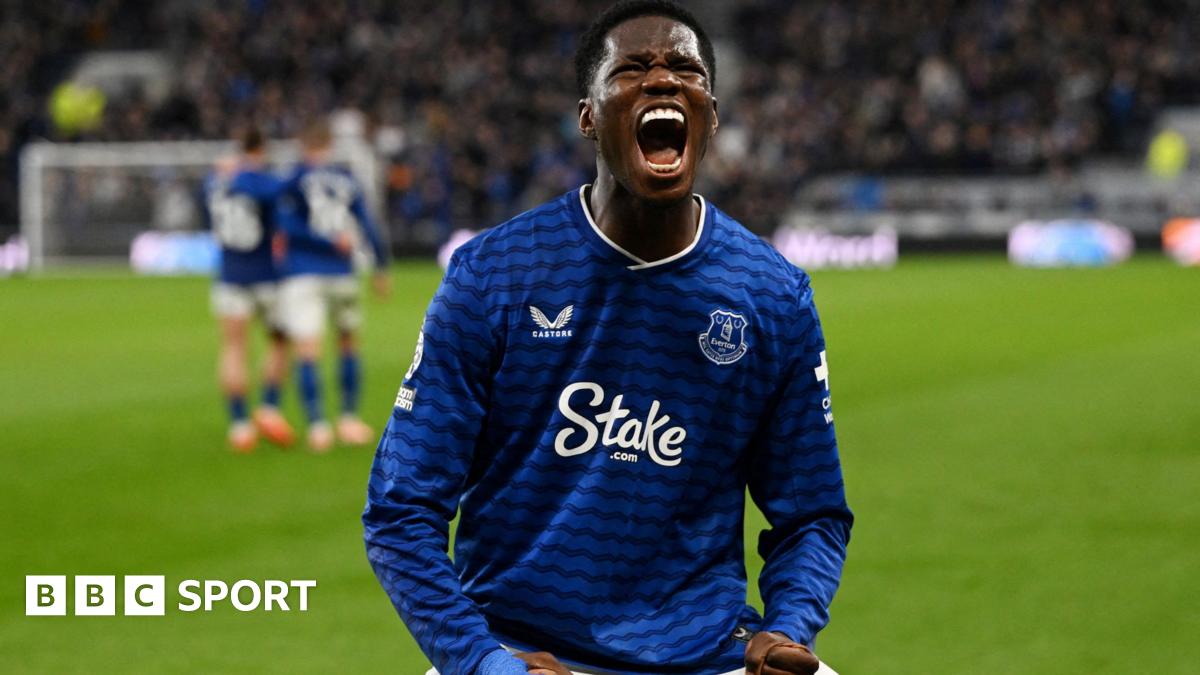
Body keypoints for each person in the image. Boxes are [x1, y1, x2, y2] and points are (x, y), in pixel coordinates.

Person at [363, 2, 852, 673]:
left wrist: (790, 626)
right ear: (588, 116)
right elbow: (400, 510)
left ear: (709, 111)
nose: (662, 81)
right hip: (520, 653)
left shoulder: (771, 295)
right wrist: (480, 659)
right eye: (632, 69)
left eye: (685, 68)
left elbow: (813, 512)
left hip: (710, 656)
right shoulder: (494, 276)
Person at [276, 121, 391, 452]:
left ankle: (317, 426)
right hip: (342, 271)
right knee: (348, 343)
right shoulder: (346, 179)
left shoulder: (294, 179)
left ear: (302, 145)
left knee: (308, 349)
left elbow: (286, 225)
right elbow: (368, 223)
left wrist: (323, 241)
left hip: (303, 272)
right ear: (328, 145)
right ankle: (349, 419)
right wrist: (381, 267)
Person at [204, 127, 294, 452]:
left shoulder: (215, 182)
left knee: (233, 348)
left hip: (229, 275)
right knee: (281, 340)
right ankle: (268, 408)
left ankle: (240, 425)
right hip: (265, 274)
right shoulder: (258, 180)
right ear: (261, 150)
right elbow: (282, 191)